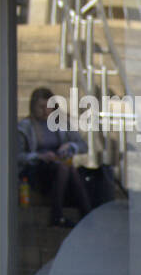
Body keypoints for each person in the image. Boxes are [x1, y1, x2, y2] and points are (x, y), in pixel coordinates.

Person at [17, 87, 92, 227]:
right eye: (41, 107)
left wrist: (69, 146)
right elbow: (18, 156)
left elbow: (83, 145)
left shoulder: (61, 124)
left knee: (68, 167)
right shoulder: (24, 127)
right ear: (33, 107)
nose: (45, 111)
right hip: (36, 169)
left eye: (49, 107)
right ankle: (79, 214)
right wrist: (39, 156)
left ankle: (70, 214)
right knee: (66, 168)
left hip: (59, 169)